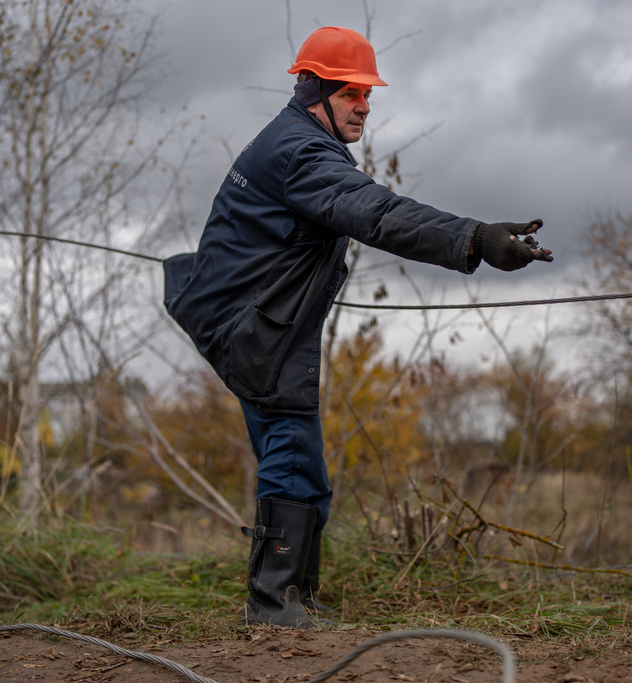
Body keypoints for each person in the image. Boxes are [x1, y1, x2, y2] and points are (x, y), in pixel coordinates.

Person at [163, 26, 553, 628]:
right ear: (315, 90)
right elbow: (378, 213)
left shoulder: (296, 143)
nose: (365, 107)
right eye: (351, 95)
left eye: (369, 96)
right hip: (259, 330)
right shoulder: (301, 153)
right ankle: (272, 605)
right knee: (291, 456)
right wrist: (473, 239)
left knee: (304, 466)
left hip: (254, 321)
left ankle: (298, 596)